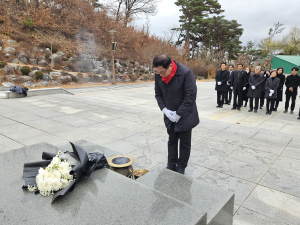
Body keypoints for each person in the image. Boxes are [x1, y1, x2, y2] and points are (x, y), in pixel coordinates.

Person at [154, 54, 199, 175]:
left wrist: (179, 114)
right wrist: (164, 109)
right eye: (158, 72)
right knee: (172, 140)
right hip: (169, 115)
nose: (161, 75)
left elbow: (190, 96)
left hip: (185, 115)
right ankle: (171, 164)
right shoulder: (158, 74)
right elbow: (158, 94)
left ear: (170, 66)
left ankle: (181, 167)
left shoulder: (185, 73)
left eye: (163, 72)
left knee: (184, 142)